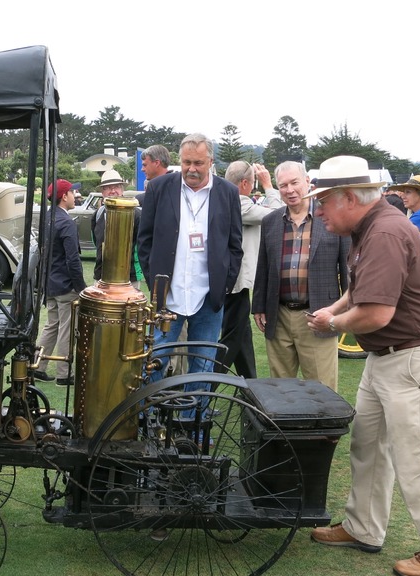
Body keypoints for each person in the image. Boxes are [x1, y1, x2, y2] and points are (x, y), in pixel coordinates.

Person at [304, 155, 420, 576]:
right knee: (369, 444)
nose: (318, 210)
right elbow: (361, 290)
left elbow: (375, 312)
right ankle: (363, 528)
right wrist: (336, 307)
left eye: (323, 201)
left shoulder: (385, 232)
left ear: (349, 198)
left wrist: (332, 323)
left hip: (414, 358)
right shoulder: (372, 227)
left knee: (415, 456)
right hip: (391, 358)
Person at [136, 133, 243, 384]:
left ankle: (192, 422)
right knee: (152, 362)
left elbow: (234, 246)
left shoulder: (228, 192)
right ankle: (147, 418)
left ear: (210, 162)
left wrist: (223, 285)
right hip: (167, 296)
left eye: (198, 163)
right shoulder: (159, 188)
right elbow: (145, 240)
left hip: (208, 298)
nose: (191, 169)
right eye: (186, 163)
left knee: (203, 365)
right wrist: (155, 283)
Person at [251, 161, 350, 391]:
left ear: (307, 182)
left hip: (318, 315)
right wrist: (258, 306)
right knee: (281, 388)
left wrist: (346, 308)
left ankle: (323, 426)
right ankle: (287, 428)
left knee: (322, 388)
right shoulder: (270, 221)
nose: (289, 190)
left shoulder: (332, 218)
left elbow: (347, 270)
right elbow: (263, 267)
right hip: (279, 316)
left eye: (294, 182)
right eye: (283, 185)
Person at [218, 160, 282, 378]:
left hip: (233, 282)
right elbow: (279, 214)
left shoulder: (225, 200)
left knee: (241, 336)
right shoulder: (238, 203)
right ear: (244, 183)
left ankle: (250, 387)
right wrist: (269, 185)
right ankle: (203, 390)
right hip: (236, 283)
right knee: (232, 338)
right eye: (253, 182)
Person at [35, 179, 87, 385]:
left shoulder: (46, 218)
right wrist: (81, 287)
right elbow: (72, 259)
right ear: (64, 196)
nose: (76, 196)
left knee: (51, 326)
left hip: (50, 283)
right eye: (73, 193)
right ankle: (64, 374)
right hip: (65, 285)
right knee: (66, 328)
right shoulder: (66, 223)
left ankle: (37, 366)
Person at [91, 169, 139, 285]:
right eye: (108, 187)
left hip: (128, 277)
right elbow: (96, 241)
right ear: (102, 191)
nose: (113, 191)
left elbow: (140, 245)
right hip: (101, 275)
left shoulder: (136, 214)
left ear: (122, 189)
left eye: (116, 187)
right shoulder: (97, 215)